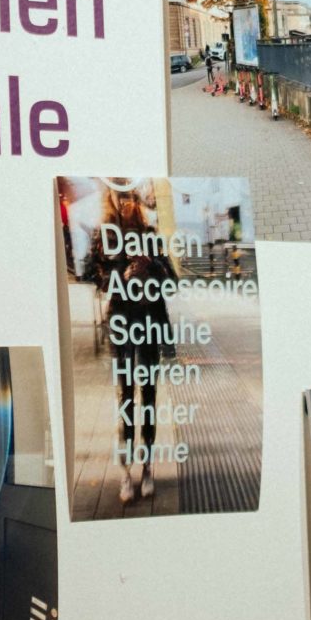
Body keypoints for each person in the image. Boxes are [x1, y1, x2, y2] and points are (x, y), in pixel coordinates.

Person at [91, 182, 172, 504]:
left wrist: (151, 265)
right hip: (123, 324)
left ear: (136, 200)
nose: (125, 202)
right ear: (111, 199)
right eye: (119, 196)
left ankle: (148, 468)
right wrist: (120, 274)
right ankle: (126, 473)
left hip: (149, 322)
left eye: (129, 196)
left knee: (148, 395)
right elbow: (93, 277)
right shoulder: (104, 235)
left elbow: (171, 279)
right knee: (126, 397)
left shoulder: (150, 234)